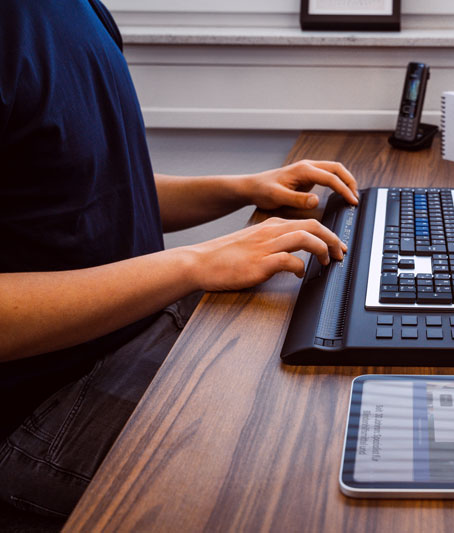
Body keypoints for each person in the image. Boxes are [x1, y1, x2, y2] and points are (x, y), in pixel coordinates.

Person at [0, 0, 357, 519]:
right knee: (300, 483)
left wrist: (240, 187)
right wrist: (195, 263)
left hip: (134, 337)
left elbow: (89, 192)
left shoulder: (78, 9)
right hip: (39, 410)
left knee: (328, 397)